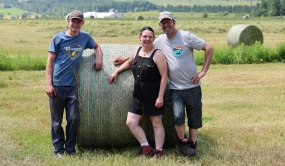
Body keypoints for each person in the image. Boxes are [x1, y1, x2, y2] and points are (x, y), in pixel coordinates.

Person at [113, 11, 214, 157]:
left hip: (192, 86)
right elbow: (144, 51)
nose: (166, 25)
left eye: (168, 21)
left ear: (174, 22)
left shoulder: (186, 36)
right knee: (178, 117)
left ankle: (192, 145)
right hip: (174, 88)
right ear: (160, 25)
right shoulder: (159, 40)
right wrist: (123, 60)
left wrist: (203, 72)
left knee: (194, 119)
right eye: (163, 22)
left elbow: (209, 48)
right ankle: (183, 144)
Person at [46, 10, 103, 158]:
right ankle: (58, 150)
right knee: (56, 121)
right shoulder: (58, 38)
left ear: (82, 23)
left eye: (78, 21)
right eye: (73, 21)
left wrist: (98, 59)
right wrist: (49, 84)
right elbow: (50, 61)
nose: (75, 24)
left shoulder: (85, 37)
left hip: (72, 87)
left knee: (73, 118)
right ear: (68, 21)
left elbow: (97, 46)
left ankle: (70, 149)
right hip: (57, 84)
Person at [108, 26, 168, 160]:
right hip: (138, 95)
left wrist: (160, 97)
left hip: (153, 94)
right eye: (145, 36)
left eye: (150, 37)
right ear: (140, 38)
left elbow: (164, 76)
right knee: (131, 122)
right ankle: (145, 146)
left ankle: (159, 152)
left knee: (157, 124)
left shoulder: (158, 54)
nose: (147, 39)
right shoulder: (137, 50)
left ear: (153, 39)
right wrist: (116, 71)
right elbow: (130, 63)